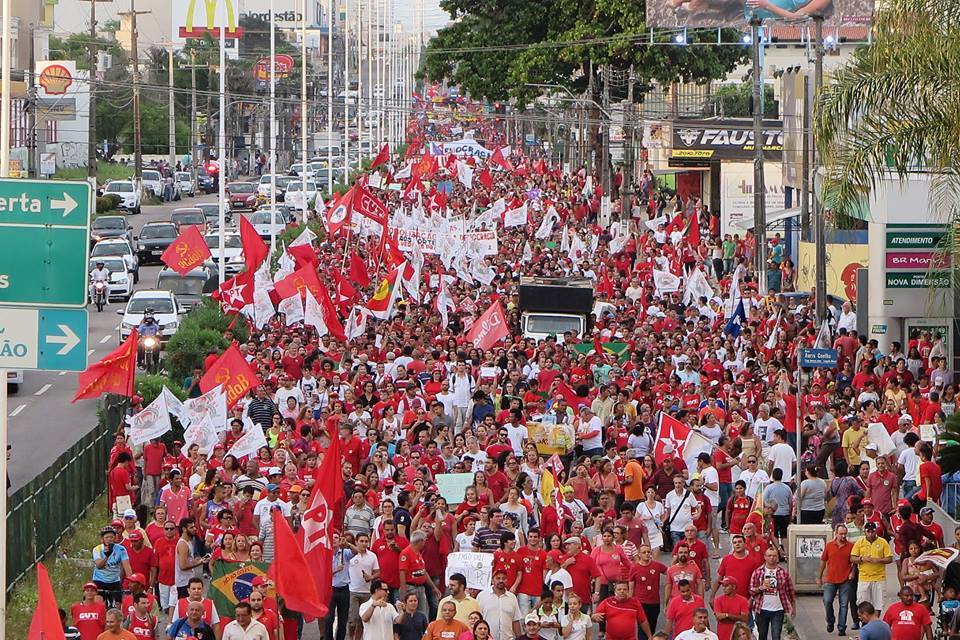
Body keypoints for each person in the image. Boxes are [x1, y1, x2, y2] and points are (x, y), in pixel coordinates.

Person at [748, 547, 795, 640]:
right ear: (765, 557)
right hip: (762, 609)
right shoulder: (758, 572)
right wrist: (760, 588)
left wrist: (793, 607)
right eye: (769, 555)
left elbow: (790, 591)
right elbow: (751, 590)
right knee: (762, 636)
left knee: (776, 636)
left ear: (777, 557)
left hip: (778, 610)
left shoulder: (783, 573)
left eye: (774, 556)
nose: (772, 558)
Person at [818, 523, 854, 636]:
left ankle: (842, 627)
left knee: (844, 605)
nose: (843, 536)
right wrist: (819, 577)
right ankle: (830, 621)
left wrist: (852, 572)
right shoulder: (829, 546)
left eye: (845, 534)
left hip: (845, 580)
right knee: (827, 601)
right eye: (841, 534)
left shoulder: (851, 546)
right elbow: (823, 562)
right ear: (836, 534)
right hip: (830, 579)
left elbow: (854, 563)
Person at [851, 522, 893, 611]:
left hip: (879, 578)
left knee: (878, 604)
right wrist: (862, 559)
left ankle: (875, 621)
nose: (870, 534)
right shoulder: (860, 542)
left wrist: (878, 560)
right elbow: (852, 558)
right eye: (868, 532)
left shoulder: (883, 542)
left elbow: (889, 559)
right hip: (864, 578)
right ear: (864, 532)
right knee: (862, 603)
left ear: (876, 531)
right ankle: (865, 623)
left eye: (872, 531)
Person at [92, 526, 132, 609]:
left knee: (117, 606)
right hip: (99, 580)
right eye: (106, 537)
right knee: (99, 605)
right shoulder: (97, 549)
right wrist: (106, 556)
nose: (109, 539)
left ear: (115, 538)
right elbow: (99, 565)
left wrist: (131, 583)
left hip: (114, 581)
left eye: (111, 537)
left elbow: (127, 568)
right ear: (102, 539)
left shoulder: (121, 549)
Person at [477, 569, 523, 640]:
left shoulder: (512, 597)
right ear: (492, 580)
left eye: (504, 578)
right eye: (498, 578)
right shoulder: (482, 596)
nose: (501, 580)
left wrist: (519, 638)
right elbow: (478, 620)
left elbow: (515, 621)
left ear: (507, 580)